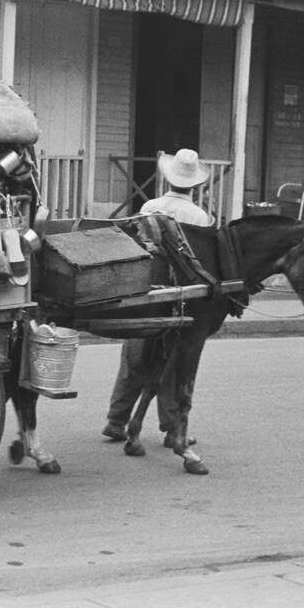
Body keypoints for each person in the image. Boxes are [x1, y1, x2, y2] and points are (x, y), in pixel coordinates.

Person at [103, 148, 213, 453]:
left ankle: (116, 419)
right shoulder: (199, 216)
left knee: (134, 358)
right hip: (179, 298)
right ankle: (171, 426)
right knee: (171, 364)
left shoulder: (150, 205)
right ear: (195, 184)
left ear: (169, 177)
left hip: (145, 290)